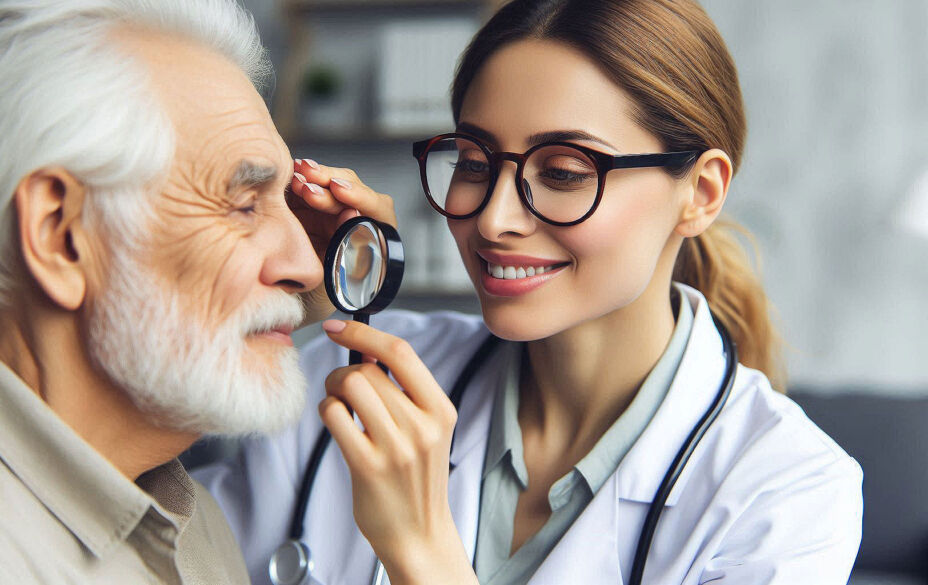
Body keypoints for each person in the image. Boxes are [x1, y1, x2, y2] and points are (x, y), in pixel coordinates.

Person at [195, 0, 864, 584]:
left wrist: (422, 555)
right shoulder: (349, 373)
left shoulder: (787, 494)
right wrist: (271, 305)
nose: (493, 218)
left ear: (701, 193)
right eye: (476, 162)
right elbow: (131, 542)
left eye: (566, 172)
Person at [0, 0, 392, 583]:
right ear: (59, 235)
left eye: (286, 202)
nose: (308, 269)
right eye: (243, 204)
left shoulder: (186, 519)